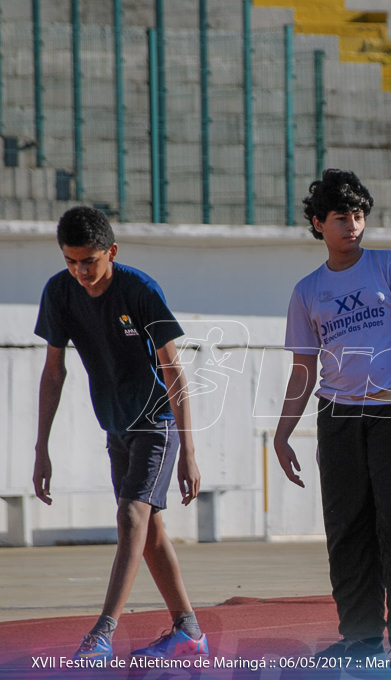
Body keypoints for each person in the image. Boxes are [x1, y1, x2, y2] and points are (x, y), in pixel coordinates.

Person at [273, 169, 391, 661]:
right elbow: (304, 367)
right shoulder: (307, 290)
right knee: (347, 529)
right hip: (338, 418)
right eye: (341, 217)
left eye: (359, 215)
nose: (352, 225)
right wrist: (283, 434)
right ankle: (361, 639)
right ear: (319, 223)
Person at [32, 206, 207, 661]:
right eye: (70, 261)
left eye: (88, 260)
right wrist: (40, 449)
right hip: (115, 426)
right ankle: (189, 630)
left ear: (111, 251)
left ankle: (102, 633)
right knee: (149, 534)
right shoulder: (59, 292)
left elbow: (174, 371)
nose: (80, 271)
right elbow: (54, 373)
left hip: (158, 423)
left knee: (131, 517)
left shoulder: (141, 290)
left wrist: (189, 450)